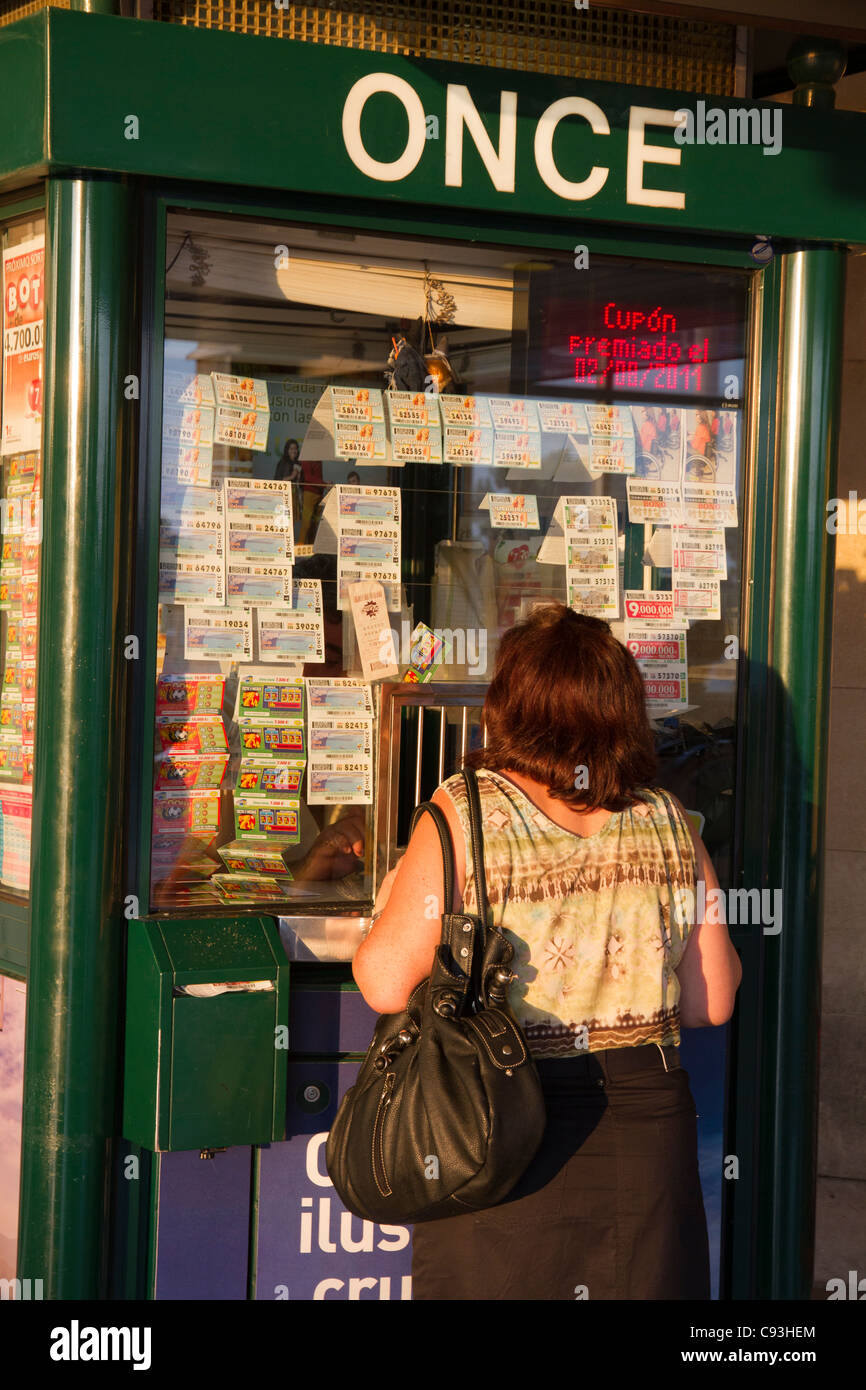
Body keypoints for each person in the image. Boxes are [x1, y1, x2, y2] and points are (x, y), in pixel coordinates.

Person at [352, 603, 742, 1301]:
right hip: (641, 1126)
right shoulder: (668, 820)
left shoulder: (466, 810)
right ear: (620, 707)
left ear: (510, 705)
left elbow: (386, 982)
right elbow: (714, 996)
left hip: (497, 1119)